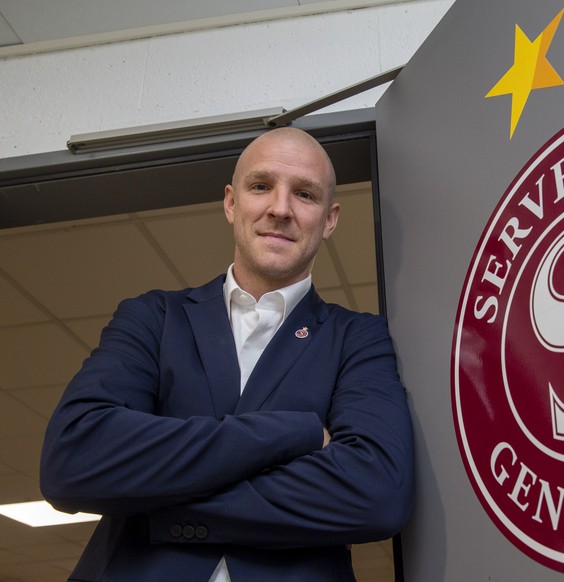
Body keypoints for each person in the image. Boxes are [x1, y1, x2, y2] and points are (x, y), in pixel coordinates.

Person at [39, 127, 414, 581]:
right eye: (261, 187)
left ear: (330, 219)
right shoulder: (154, 318)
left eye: (305, 194)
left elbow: (375, 492)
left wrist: (158, 497)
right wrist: (295, 433)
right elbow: (74, 458)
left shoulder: (359, 338)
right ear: (231, 203)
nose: (280, 208)